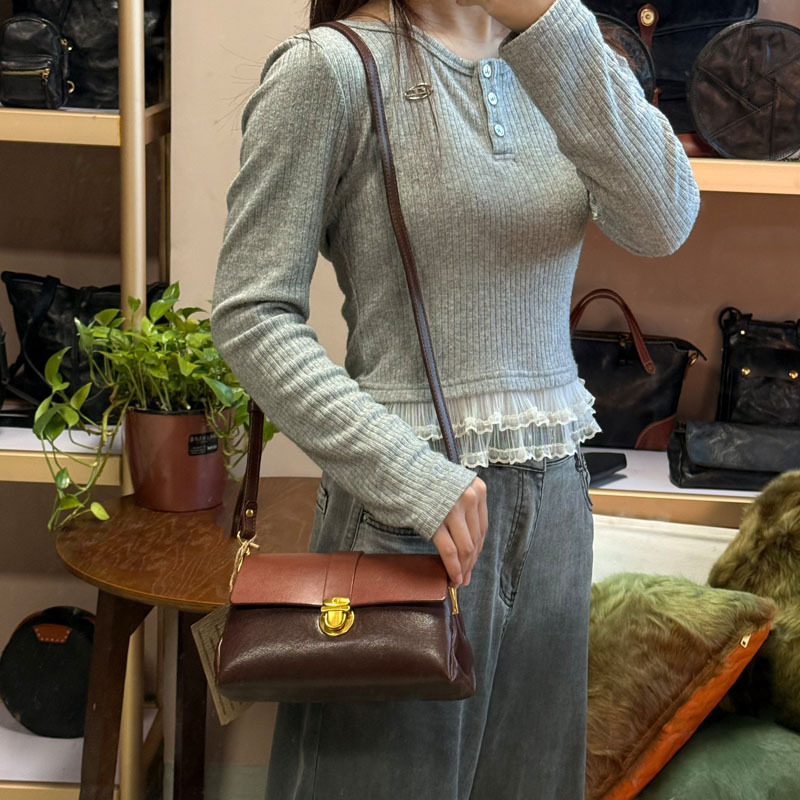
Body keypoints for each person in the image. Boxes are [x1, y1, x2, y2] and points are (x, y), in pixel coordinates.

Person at [210, 0, 700, 797]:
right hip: (406, 518)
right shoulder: (329, 69)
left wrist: (549, 23)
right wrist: (409, 477)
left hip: (557, 513)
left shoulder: (559, 55)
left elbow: (665, 219)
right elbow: (251, 313)